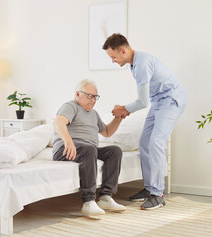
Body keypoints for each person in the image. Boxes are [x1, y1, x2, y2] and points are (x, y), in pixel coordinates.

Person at [103, 33, 187, 210]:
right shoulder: (134, 64)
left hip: (171, 100)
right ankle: (150, 188)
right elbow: (145, 100)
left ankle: (158, 194)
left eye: (113, 57)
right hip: (158, 101)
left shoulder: (141, 64)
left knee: (156, 141)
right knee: (144, 142)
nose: (112, 61)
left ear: (123, 50)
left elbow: (142, 102)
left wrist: (122, 109)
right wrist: (124, 109)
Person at [52, 79, 126, 217]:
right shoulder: (71, 106)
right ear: (77, 94)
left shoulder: (94, 114)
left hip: (87, 149)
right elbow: (58, 122)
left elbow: (107, 132)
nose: (93, 100)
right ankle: (88, 201)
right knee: (89, 149)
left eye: (95, 97)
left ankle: (106, 197)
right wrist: (68, 142)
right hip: (65, 148)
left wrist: (118, 118)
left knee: (114, 151)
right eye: (89, 96)